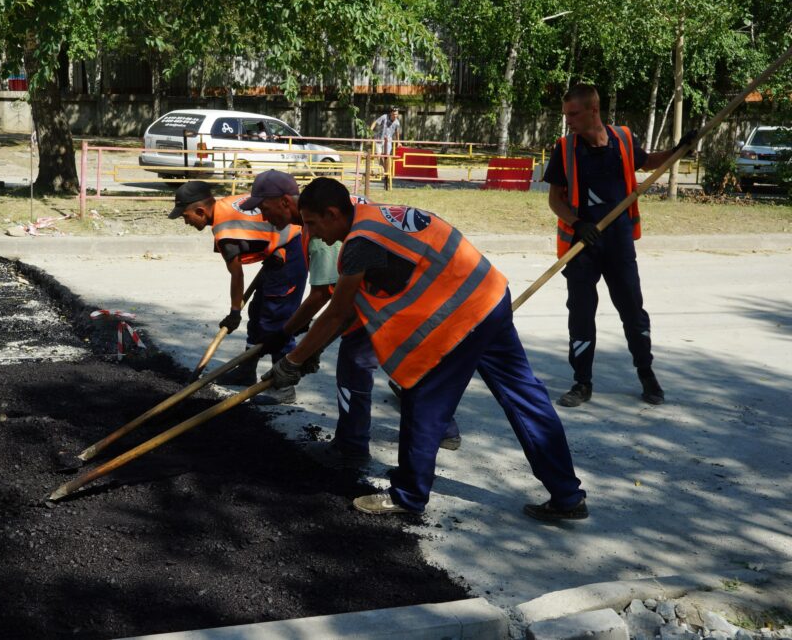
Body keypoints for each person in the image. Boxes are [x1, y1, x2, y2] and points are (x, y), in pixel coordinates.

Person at [262, 179, 588, 521]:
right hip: (490, 295)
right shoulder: (374, 216)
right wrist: (309, 352)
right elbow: (349, 312)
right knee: (524, 395)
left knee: (422, 399)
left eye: (312, 223)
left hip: (463, 316)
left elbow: (338, 312)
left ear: (332, 213)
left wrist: (292, 361)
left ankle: (409, 494)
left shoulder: (360, 242)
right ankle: (567, 494)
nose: (311, 234)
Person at [240, 173, 462, 467]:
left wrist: (293, 352)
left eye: (265, 209)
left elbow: (330, 301)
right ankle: (443, 429)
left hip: (400, 298)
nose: (264, 217)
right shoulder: (330, 214)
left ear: (285, 202)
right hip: (399, 291)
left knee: (356, 364)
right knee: (404, 365)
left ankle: (352, 447)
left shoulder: (324, 234)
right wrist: (305, 346)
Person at [544, 84, 694, 408]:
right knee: (581, 316)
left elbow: (648, 161)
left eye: (573, 114)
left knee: (632, 310)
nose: (568, 121)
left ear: (593, 110)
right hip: (582, 245)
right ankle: (581, 383)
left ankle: (647, 374)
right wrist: (577, 223)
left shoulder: (623, 138)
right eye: (566, 114)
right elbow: (555, 199)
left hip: (619, 242)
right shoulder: (565, 148)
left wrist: (678, 150)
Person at [168, 178, 307, 402]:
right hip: (279, 251)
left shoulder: (225, 232)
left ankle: (284, 388)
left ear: (201, 210)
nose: (186, 222)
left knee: (277, 320)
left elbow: (237, 274)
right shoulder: (225, 205)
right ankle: (246, 371)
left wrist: (234, 312)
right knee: (258, 311)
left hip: (291, 251)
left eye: (186, 216)